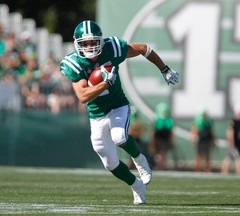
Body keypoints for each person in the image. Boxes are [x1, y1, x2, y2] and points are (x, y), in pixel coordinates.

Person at [60, 20, 179, 205]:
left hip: (118, 106)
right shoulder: (74, 63)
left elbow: (144, 49)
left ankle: (140, 160)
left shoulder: (112, 48)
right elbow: (83, 96)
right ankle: (137, 186)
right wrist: (105, 83)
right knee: (109, 163)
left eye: (93, 42)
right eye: (85, 43)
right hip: (96, 115)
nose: (90, 47)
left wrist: (164, 68)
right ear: (78, 44)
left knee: (119, 137)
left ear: (100, 40)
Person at [151, 103, 175, 170]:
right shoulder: (158, 120)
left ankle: (161, 166)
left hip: (164, 140)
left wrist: (172, 141)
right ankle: (160, 166)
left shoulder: (168, 121)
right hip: (159, 140)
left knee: (163, 154)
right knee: (160, 154)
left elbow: (171, 132)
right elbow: (154, 131)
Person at [221, 103, 240, 174]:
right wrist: (231, 142)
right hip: (234, 144)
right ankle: (224, 171)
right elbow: (229, 132)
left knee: (234, 158)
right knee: (230, 158)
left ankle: (236, 172)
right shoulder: (233, 121)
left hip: (237, 144)